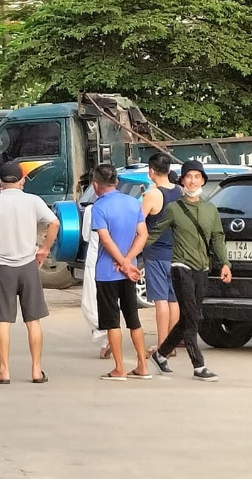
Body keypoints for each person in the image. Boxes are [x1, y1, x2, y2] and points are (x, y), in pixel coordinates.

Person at [137, 161, 232, 382]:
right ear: (182, 180)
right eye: (188, 176)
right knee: (192, 317)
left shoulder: (210, 209)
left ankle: (161, 354)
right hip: (180, 267)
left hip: (202, 268)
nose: (192, 180)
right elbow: (153, 233)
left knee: (190, 316)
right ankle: (198, 365)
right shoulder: (174, 208)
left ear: (203, 180)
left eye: (197, 176)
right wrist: (131, 254)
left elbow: (218, 237)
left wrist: (225, 263)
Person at [0, 161, 59, 384]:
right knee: (33, 320)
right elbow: (54, 223)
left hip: (3, 266)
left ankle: (3, 371)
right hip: (29, 264)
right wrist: (44, 249)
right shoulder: (32, 201)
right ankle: (36, 370)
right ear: (21, 180)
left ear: (0, 181)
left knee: (3, 320)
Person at [90, 164, 151, 381]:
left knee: (112, 321)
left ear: (96, 185)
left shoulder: (99, 207)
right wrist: (128, 261)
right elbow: (142, 235)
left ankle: (119, 368)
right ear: (116, 182)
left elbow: (105, 240)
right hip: (130, 271)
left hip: (107, 272)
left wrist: (120, 262)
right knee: (133, 319)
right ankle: (143, 365)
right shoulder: (133, 203)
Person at [140, 153, 182, 354]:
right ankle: (172, 343)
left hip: (156, 252)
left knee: (161, 300)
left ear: (151, 171)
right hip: (178, 252)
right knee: (174, 299)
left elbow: (139, 222)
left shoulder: (153, 195)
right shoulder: (180, 191)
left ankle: (163, 344)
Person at [79, 202, 110, 358]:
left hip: (95, 259)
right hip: (116, 260)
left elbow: (85, 236)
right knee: (112, 302)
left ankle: (104, 337)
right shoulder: (124, 205)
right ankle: (110, 339)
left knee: (90, 303)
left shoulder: (92, 209)